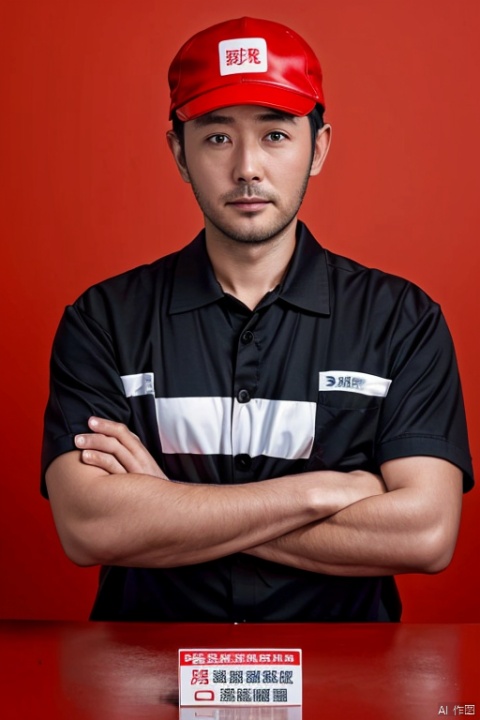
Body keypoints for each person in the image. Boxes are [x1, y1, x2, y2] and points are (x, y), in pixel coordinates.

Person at [42, 16, 474, 623]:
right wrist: (323, 491)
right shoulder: (104, 320)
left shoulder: (402, 320)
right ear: (179, 152)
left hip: (348, 694)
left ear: (318, 147)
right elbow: (90, 527)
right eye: (217, 137)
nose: (247, 167)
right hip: (142, 685)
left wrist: (165, 509)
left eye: (275, 134)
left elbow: (425, 535)